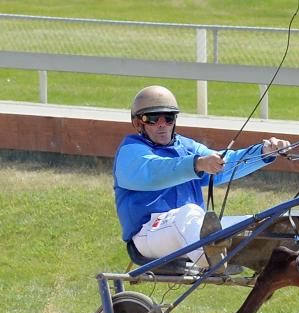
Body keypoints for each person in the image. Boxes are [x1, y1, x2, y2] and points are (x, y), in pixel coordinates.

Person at [113, 85, 289, 270]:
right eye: (153, 118)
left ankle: (285, 261)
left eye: (169, 117)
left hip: (192, 231)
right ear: (138, 123)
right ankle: (216, 260)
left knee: (258, 222)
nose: (162, 124)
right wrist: (197, 164)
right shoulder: (130, 151)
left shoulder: (187, 147)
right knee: (189, 213)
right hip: (148, 235)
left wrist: (263, 152)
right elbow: (158, 171)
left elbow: (223, 163)